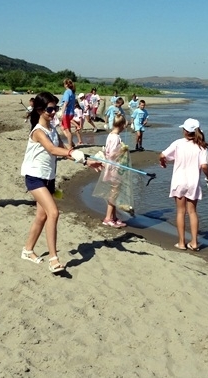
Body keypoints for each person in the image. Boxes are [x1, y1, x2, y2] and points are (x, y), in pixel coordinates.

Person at [20, 92, 102, 274]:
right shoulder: (38, 131)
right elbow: (51, 149)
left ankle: (27, 250)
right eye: (50, 109)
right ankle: (53, 259)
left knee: (41, 216)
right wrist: (72, 154)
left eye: (55, 108)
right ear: (40, 110)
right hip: (34, 177)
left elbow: (64, 148)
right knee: (53, 213)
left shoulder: (51, 129)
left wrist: (86, 161)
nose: (53, 112)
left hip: (48, 177)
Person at [159, 118, 208, 252]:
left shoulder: (178, 143)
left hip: (179, 181)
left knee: (180, 211)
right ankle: (194, 243)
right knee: (192, 212)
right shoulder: (202, 146)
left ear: (185, 131)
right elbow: (204, 166)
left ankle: (181, 242)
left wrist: (163, 162)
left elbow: (162, 154)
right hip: (193, 182)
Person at [101, 114, 129, 227]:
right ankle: (108, 218)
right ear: (122, 125)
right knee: (114, 192)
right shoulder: (115, 137)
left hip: (111, 166)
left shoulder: (111, 135)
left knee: (114, 191)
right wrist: (122, 151)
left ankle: (114, 216)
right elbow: (112, 154)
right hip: (114, 167)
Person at [60, 79, 83, 148]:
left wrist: (62, 112)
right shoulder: (73, 93)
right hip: (71, 113)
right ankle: (71, 143)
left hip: (67, 113)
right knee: (63, 127)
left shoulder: (67, 92)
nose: (64, 85)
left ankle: (70, 146)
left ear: (66, 85)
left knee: (66, 129)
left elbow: (66, 103)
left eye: (64, 84)